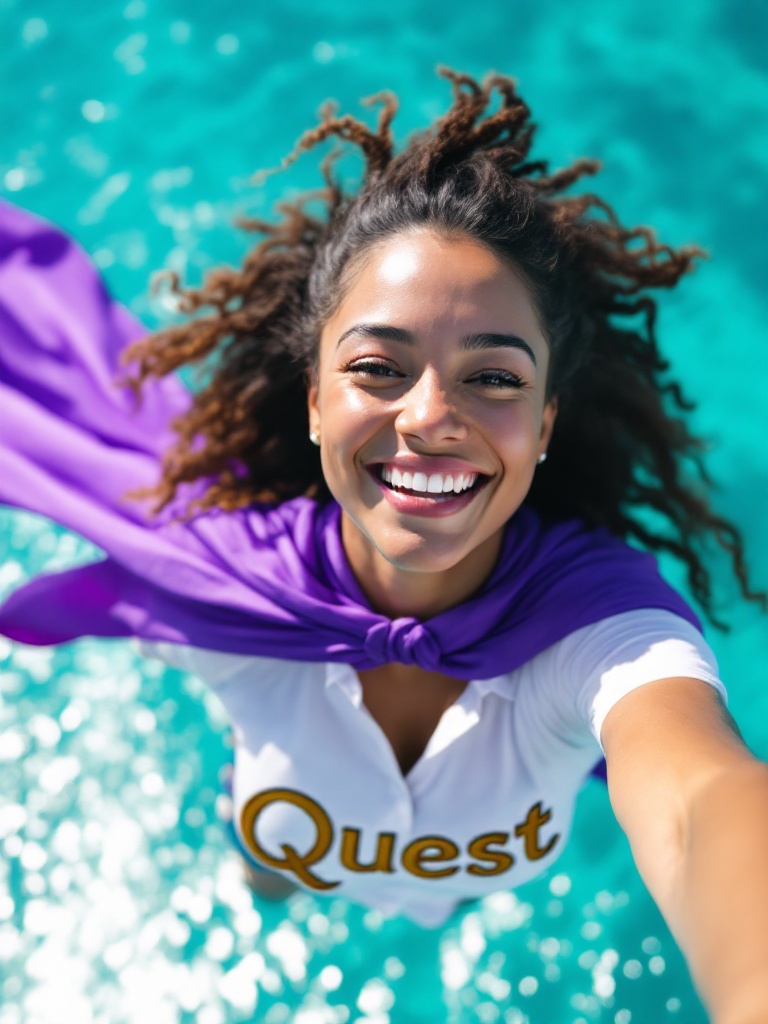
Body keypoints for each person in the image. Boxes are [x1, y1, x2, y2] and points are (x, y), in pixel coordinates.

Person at [1, 67, 767, 1019]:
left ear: (546, 421)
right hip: (285, 851)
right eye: (378, 368)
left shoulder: (606, 631)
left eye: (494, 377)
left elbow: (700, 805)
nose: (432, 418)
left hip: (459, 893)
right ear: (318, 402)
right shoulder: (221, 583)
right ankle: (265, 882)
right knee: (266, 873)